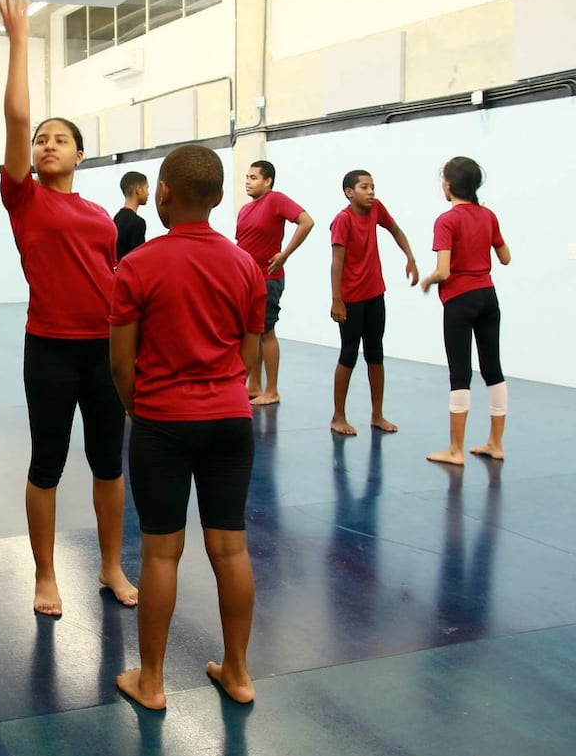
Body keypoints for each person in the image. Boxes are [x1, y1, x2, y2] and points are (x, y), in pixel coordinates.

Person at [0, 0, 137, 617]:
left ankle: (110, 565)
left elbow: (112, 277)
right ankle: (46, 575)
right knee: (48, 461)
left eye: (60, 140)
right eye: (42, 139)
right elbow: (17, 121)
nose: (46, 143)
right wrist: (21, 40)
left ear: (81, 154)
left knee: (109, 462)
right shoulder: (23, 198)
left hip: (104, 350)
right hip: (49, 347)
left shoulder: (98, 214)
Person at [109, 144, 265, 710]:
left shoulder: (139, 265)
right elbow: (249, 356)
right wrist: (220, 389)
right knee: (231, 549)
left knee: (160, 554)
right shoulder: (245, 265)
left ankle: (151, 682)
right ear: (221, 199)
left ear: (165, 194)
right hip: (230, 419)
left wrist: (138, 407)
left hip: (162, 421)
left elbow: (121, 363)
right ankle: (239, 673)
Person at [421, 157, 510, 465]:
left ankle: (456, 450)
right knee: (492, 369)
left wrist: (428, 279)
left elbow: (444, 270)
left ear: (447, 184)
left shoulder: (446, 220)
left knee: (460, 374)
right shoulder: (488, 215)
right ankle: (495, 443)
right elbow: (506, 257)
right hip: (488, 296)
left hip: (460, 301)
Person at [329, 169, 419, 436]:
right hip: (351, 299)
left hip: (374, 294)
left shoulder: (377, 209)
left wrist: (410, 257)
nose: (371, 192)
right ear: (349, 192)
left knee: (375, 354)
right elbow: (337, 263)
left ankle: (377, 414)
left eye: (372, 187)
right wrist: (337, 300)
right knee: (348, 354)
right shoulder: (342, 220)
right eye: (364, 187)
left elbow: (396, 230)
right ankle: (338, 416)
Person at [234, 159, 314, 405]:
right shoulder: (246, 209)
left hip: (268, 278)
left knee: (266, 331)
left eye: (254, 177)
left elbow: (306, 221)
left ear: (268, 181)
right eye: (247, 177)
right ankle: (255, 385)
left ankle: (272, 390)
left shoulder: (276, 199)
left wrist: (285, 254)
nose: (248, 181)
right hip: (248, 279)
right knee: (252, 332)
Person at [114, 171, 150, 260]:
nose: (148, 193)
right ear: (139, 189)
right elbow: (139, 259)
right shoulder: (137, 223)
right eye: (147, 188)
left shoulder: (116, 218)